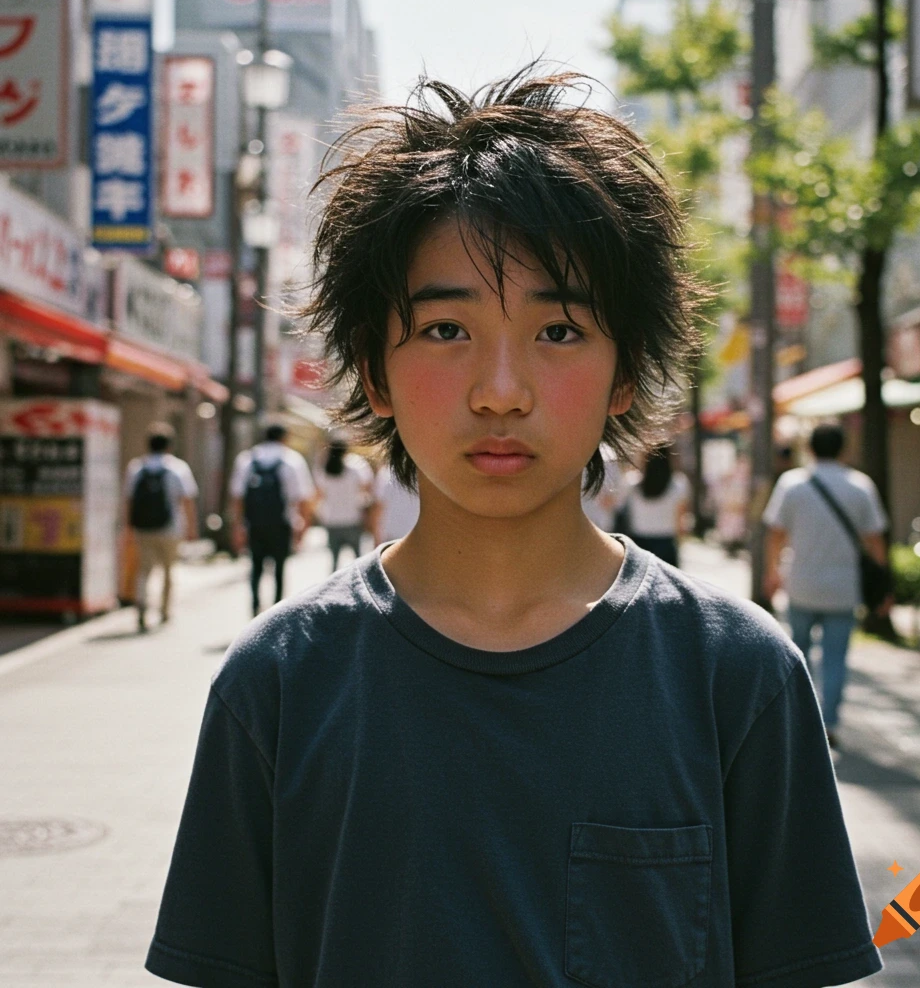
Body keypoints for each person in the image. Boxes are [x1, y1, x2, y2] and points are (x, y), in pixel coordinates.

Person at [147, 69, 882, 988]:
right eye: (447, 329)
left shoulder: (738, 676)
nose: (502, 390)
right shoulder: (280, 685)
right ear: (375, 372)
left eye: (561, 331)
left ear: (626, 375)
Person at [762, 422, 889, 749]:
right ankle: (828, 723)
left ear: (811, 448)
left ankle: (797, 719)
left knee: (796, 654)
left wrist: (772, 572)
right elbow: (875, 541)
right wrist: (885, 586)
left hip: (801, 583)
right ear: (843, 449)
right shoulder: (860, 486)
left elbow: (775, 533)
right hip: (843, 588)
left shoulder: (792, 484)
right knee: (835, 658)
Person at [229, 423, 315, 616]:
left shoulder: (247, 459)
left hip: (254, 523)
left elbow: (237, 497)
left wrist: (238, 526)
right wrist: (303, 527)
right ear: (284, 437)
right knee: (279, 568)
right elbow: (303, 498)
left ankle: (255, 607)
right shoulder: (291, 460)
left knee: (256, 566)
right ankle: (276, 612)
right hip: (282, 524)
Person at [122, 422, 198, 632]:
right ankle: (164, 611)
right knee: (168, 571)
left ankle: (141, 609)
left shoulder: (136, 468)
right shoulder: (178, 468)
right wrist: (191, 528)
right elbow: (187, 501)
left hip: (143, 528)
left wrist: (128, 527)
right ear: (169, 446)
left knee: (144, 571)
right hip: (171, 528)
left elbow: (128, 500)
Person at [620, 444, 690, 565]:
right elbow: (680, 518)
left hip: (638, 541)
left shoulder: (633, 481)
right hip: (666, 542)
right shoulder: (679, 483)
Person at [315, 436, 375, 571]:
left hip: (332, 519)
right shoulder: (356, 465)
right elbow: (368, 488)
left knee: (334, 561)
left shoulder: (324, 468)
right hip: (353, 518)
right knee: (358, 560)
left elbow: (319, 493)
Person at [367, 461, 420, 546]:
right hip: (416, 536)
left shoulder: (385, 474)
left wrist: (376, 539)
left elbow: (378, 508)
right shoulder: (423, 474)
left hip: (392, 536)